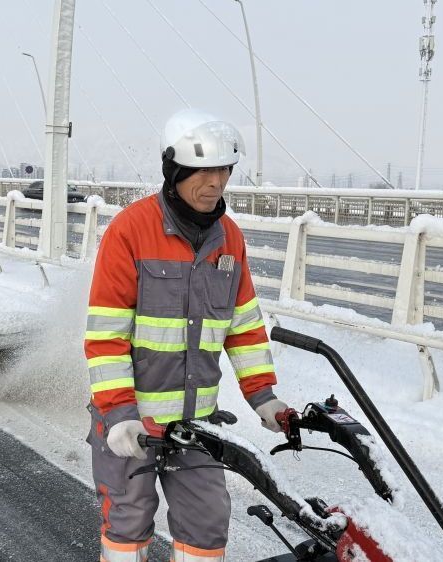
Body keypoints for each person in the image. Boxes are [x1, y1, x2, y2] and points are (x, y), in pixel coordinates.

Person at [83, 109, 294, 562]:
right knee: (127, 524)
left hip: (195, 427)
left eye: (224, 170)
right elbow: (106, 336)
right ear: (175, 171)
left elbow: (244, 327)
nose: (216, 182)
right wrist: (120, 413)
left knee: (206, 528)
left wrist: (264, 398)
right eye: (204, 170)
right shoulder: (131, 231)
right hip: (130, 424)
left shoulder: (229, 239)